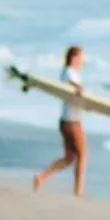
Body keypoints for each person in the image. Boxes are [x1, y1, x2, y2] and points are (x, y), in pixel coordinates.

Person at [32, 44, 88, 196]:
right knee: (82, 155)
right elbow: (73, 88)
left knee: (70, 157)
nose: (83, 60)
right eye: (81, 57)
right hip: (73, 122)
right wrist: (80, 89)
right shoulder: (69, 73)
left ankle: (41, 177)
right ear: (74, 58)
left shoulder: (69, 72)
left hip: (66, 120)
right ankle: (78, 192)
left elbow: (73, 95)